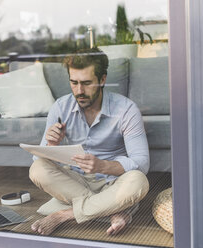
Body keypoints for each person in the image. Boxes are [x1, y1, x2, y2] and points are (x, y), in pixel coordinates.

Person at [29, 48, 150, 236]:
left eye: (86, 83)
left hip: (112, 182)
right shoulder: (60, 107)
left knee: (138, 182)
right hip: (74, 181)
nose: (79, 91)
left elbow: (142, 163)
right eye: (74, 82)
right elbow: (40, 161)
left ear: (102, 80)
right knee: (37, 169)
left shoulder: (126, 109)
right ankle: (111, 209)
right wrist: (51, 146)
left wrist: (103, 166)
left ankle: (65, 214)